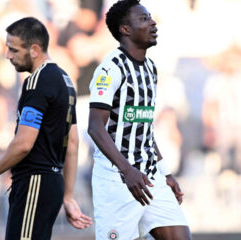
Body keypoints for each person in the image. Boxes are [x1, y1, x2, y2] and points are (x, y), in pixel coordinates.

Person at [0, 17, 92, 239]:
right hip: (51, 183)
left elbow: (24, 144)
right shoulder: (64, 79)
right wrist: (68, 195)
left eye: (13, 49)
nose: (8, 55)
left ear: (34, 50)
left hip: (34, 182)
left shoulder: (37, 82)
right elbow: (72, 143)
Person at [87, 1, 191, 239]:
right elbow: (95, 127)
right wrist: (127, 170)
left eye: (150, 18)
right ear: (125, 29)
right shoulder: (110, 69)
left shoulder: (151, 69)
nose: (152, 22)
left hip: (150, 178)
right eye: (144, 19)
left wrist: (165, 173)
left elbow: (143, 129)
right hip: (117, 181)